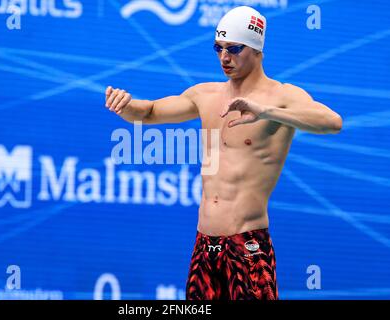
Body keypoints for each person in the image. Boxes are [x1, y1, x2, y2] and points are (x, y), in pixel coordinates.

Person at [104, 6, 342, 300]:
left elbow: (332, 123)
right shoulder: (206, 95)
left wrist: (267, 112)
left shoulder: (282, 97)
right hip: (204, 245)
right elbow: (150, 112)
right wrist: (126, 106)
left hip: (248, 245)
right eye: (218, 48)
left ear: (256, 49)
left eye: (234, 48)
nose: (224, 58)